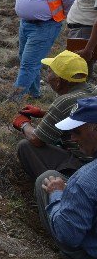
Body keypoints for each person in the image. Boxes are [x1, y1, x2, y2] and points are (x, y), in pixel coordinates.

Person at [35, 96, 97, 259]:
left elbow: (69, 236)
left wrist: (56, 196)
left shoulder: (85, 179)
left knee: (46, 179)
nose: (72, 138)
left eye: (77, 132)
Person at [13, 50, 95, 179]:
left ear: (58, 81)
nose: (47, 74)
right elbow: (78, 113)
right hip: (93, 159)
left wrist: (23, 124)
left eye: (50, 71)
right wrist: (44, 113)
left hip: (84, 163)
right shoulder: (92, 90)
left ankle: (57, 185)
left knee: (25, 146)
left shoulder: (64, 101)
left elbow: (37, 139)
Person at [13, 0, 76, 100]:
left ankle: (14, 100)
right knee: (25, 59)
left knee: (28, 63)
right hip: (26, 24)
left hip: (44, 26)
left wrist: (66, 20)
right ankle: (34, 94)